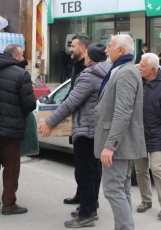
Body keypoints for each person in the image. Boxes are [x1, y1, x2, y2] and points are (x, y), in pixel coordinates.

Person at [39, 44, 111, 228]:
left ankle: (86, 214)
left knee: (84, 173)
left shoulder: (89, 75)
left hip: (86, 131)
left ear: (90, 59)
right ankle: (91, 206)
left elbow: (70, 103)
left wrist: (49, 123)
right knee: (93, 171)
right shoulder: (107, 72)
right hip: (97, 130)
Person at [95, 34, 146, 230]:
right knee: (122, 190)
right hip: (121, 144)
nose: (106, 50)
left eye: (110, 46)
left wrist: (110, 145)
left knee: (113, 190)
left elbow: (123, 112)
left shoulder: (125, 72)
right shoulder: (120, 70)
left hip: (118, 145)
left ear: (121, 51)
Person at [0, 44, 37, 217]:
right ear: (14, 56)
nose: (23, 58)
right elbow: (29, 104)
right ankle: (8, 204)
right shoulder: (21, 74)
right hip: (11, 131)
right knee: (11, 169)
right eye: (21, 55)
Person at [135, 53, 161, 220]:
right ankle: (146, 200)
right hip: (139, 134)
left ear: (152, 70)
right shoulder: (138, 83)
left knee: (157, 169)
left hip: (157, 134)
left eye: (142, 66)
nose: (139, 68)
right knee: (140, 169)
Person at [63, 34, 92, 205]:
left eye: (73, 46)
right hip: (77, 122)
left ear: (82, 48)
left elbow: (77, 97)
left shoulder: (88, 69)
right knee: (80, 165)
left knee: (88, 167)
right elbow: (72, 91)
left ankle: (89, 204)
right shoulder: (76, 66)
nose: (70, 49)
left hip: (87, 124)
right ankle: (80, 195)